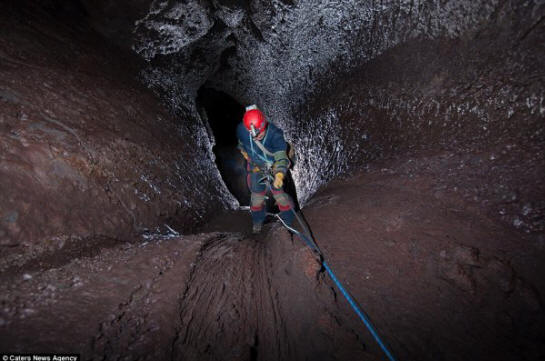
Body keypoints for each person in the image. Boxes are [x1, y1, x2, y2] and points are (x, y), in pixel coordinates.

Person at [236, 105, 294, 233]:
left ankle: (288, 222)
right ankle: (258, 222)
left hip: (273, 166)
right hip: (256, 167)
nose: (256, 137)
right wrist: (245, 153)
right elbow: (241, 144)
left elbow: (281, 157)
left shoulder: (275, 134)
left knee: (280, 195)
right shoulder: (242, 130)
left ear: (264, 125)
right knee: (256, 199)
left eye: (259, 134)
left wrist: (279, 174)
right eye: (253, 135)